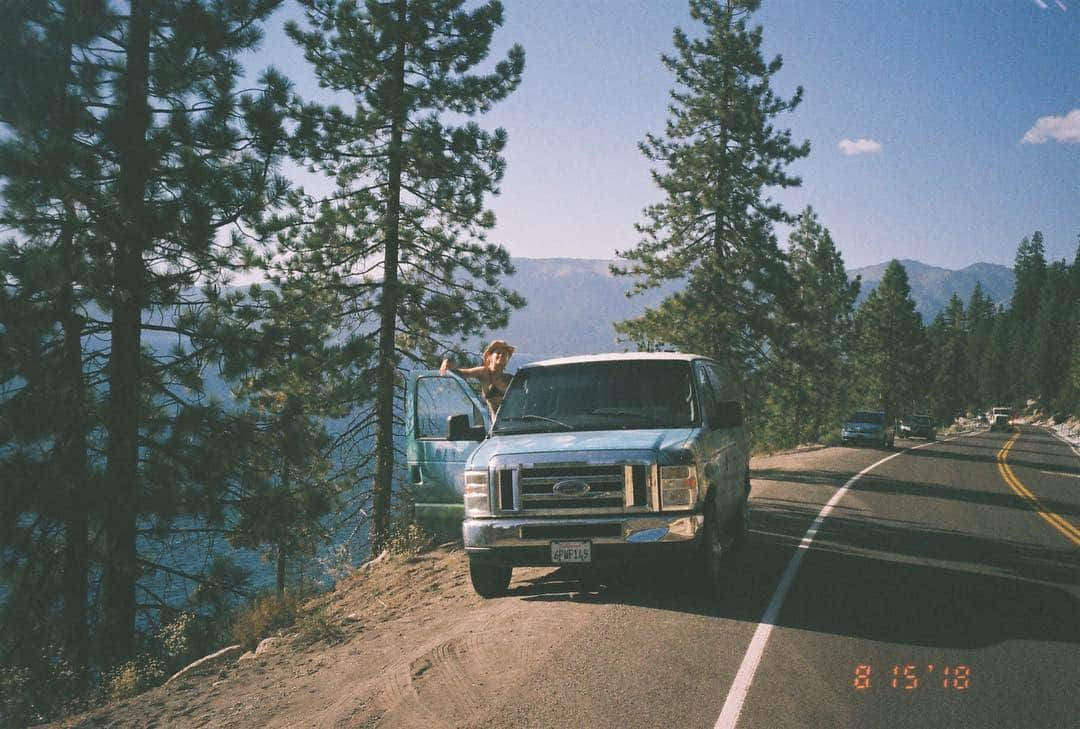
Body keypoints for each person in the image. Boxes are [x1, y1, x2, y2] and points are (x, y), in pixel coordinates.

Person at [440, 340, 515, 419]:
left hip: (515, 424)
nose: (501, 355)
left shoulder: (510, 378)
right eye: (498, 352)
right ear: (490, 356)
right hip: (497, 426)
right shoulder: (483, 372)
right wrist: (447, 360)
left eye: (505, 354)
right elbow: (461, 373)